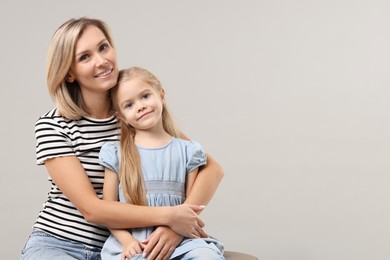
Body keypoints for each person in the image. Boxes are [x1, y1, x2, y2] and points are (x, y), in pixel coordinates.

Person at [20, 17, 224, 260]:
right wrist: (170, 217)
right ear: (70, 73)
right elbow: (92, 210)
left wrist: (175, 230)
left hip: (131, 246)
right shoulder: (53, 126)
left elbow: (212, 170)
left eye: (103, 47)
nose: (101, 61)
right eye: (85, 57)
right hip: (59, 244)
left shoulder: (135, 113)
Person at [99, 67, 224, 260]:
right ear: (121, 117)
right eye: (129, 105)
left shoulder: (188, 151)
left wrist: (178, 231)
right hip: (134, 243)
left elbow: (190, 208)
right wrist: (127, 241)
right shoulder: (116, 154)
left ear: (161, 95)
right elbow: (108, 212)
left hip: (180, 240)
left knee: (207, 256)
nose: (140, 106)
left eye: (145, 96)